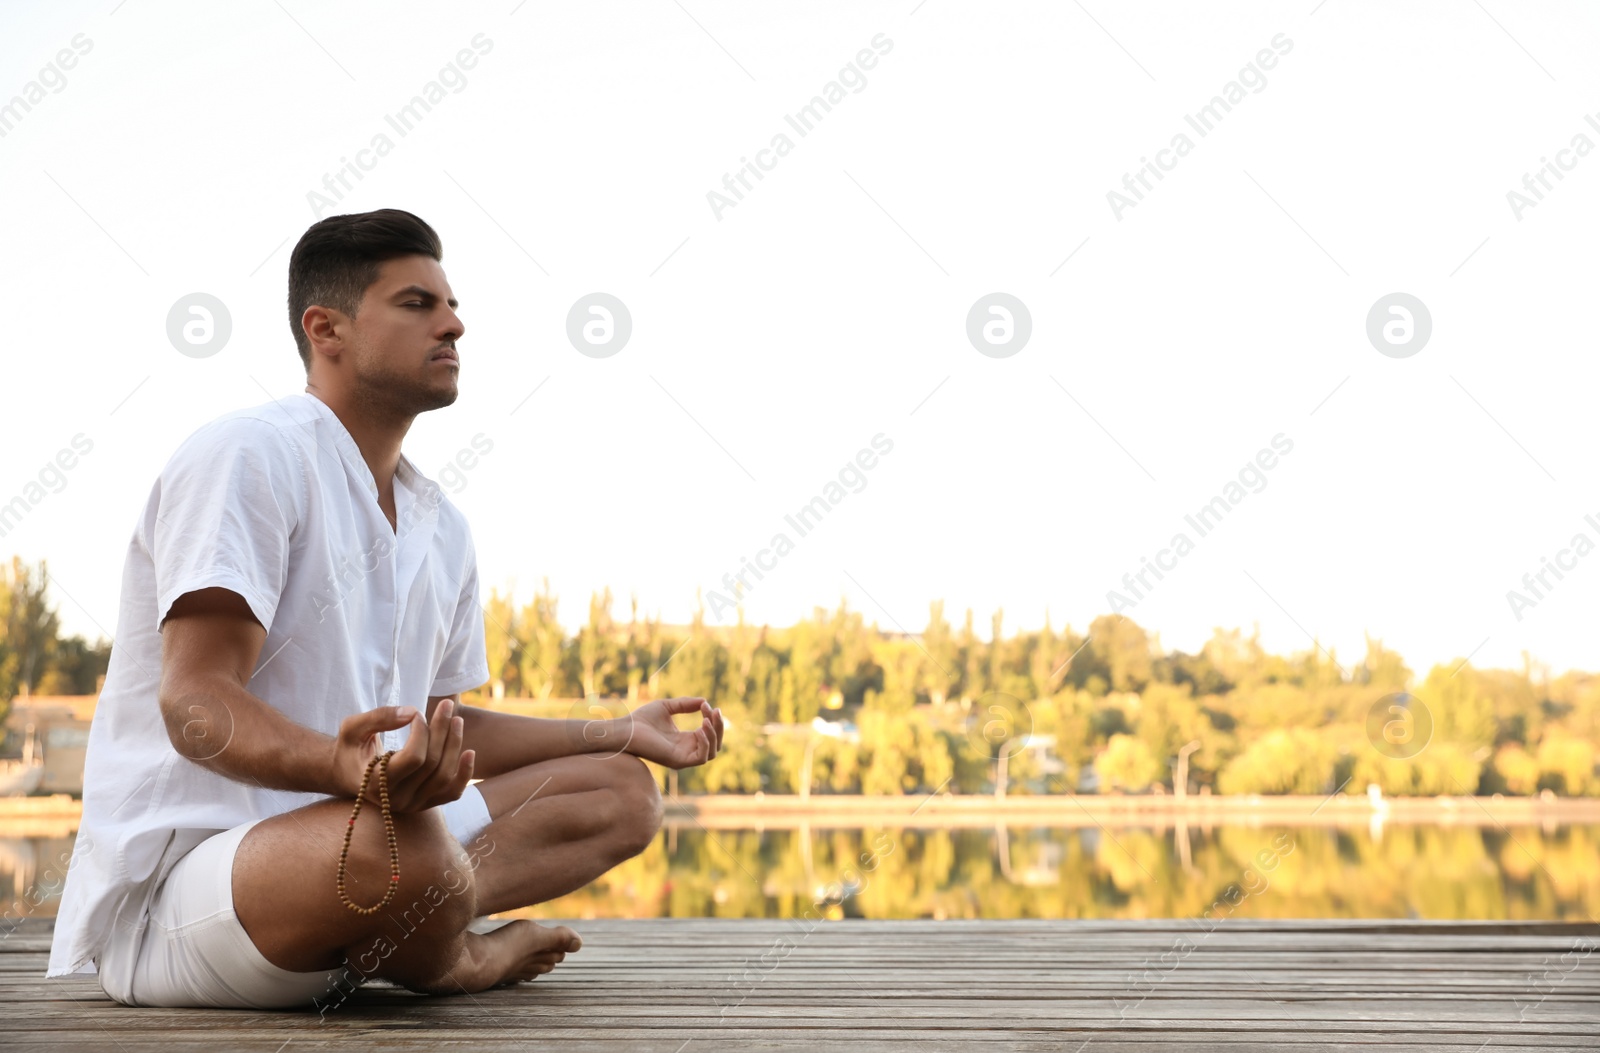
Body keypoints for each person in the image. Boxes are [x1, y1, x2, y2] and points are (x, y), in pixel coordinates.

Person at [46, 208, 724, 1009]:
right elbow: (194, 704)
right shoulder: (251, 454)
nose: (455, 324)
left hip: (372, 850)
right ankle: (452, 957)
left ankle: (402, 929)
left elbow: (446, 729)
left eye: (451, 303)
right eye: (418, 303)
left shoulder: (442, 525)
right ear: (325, 328)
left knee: (619, 790)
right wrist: (346, 770)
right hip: (194, 896)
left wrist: (620, 729)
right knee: (405, 847)